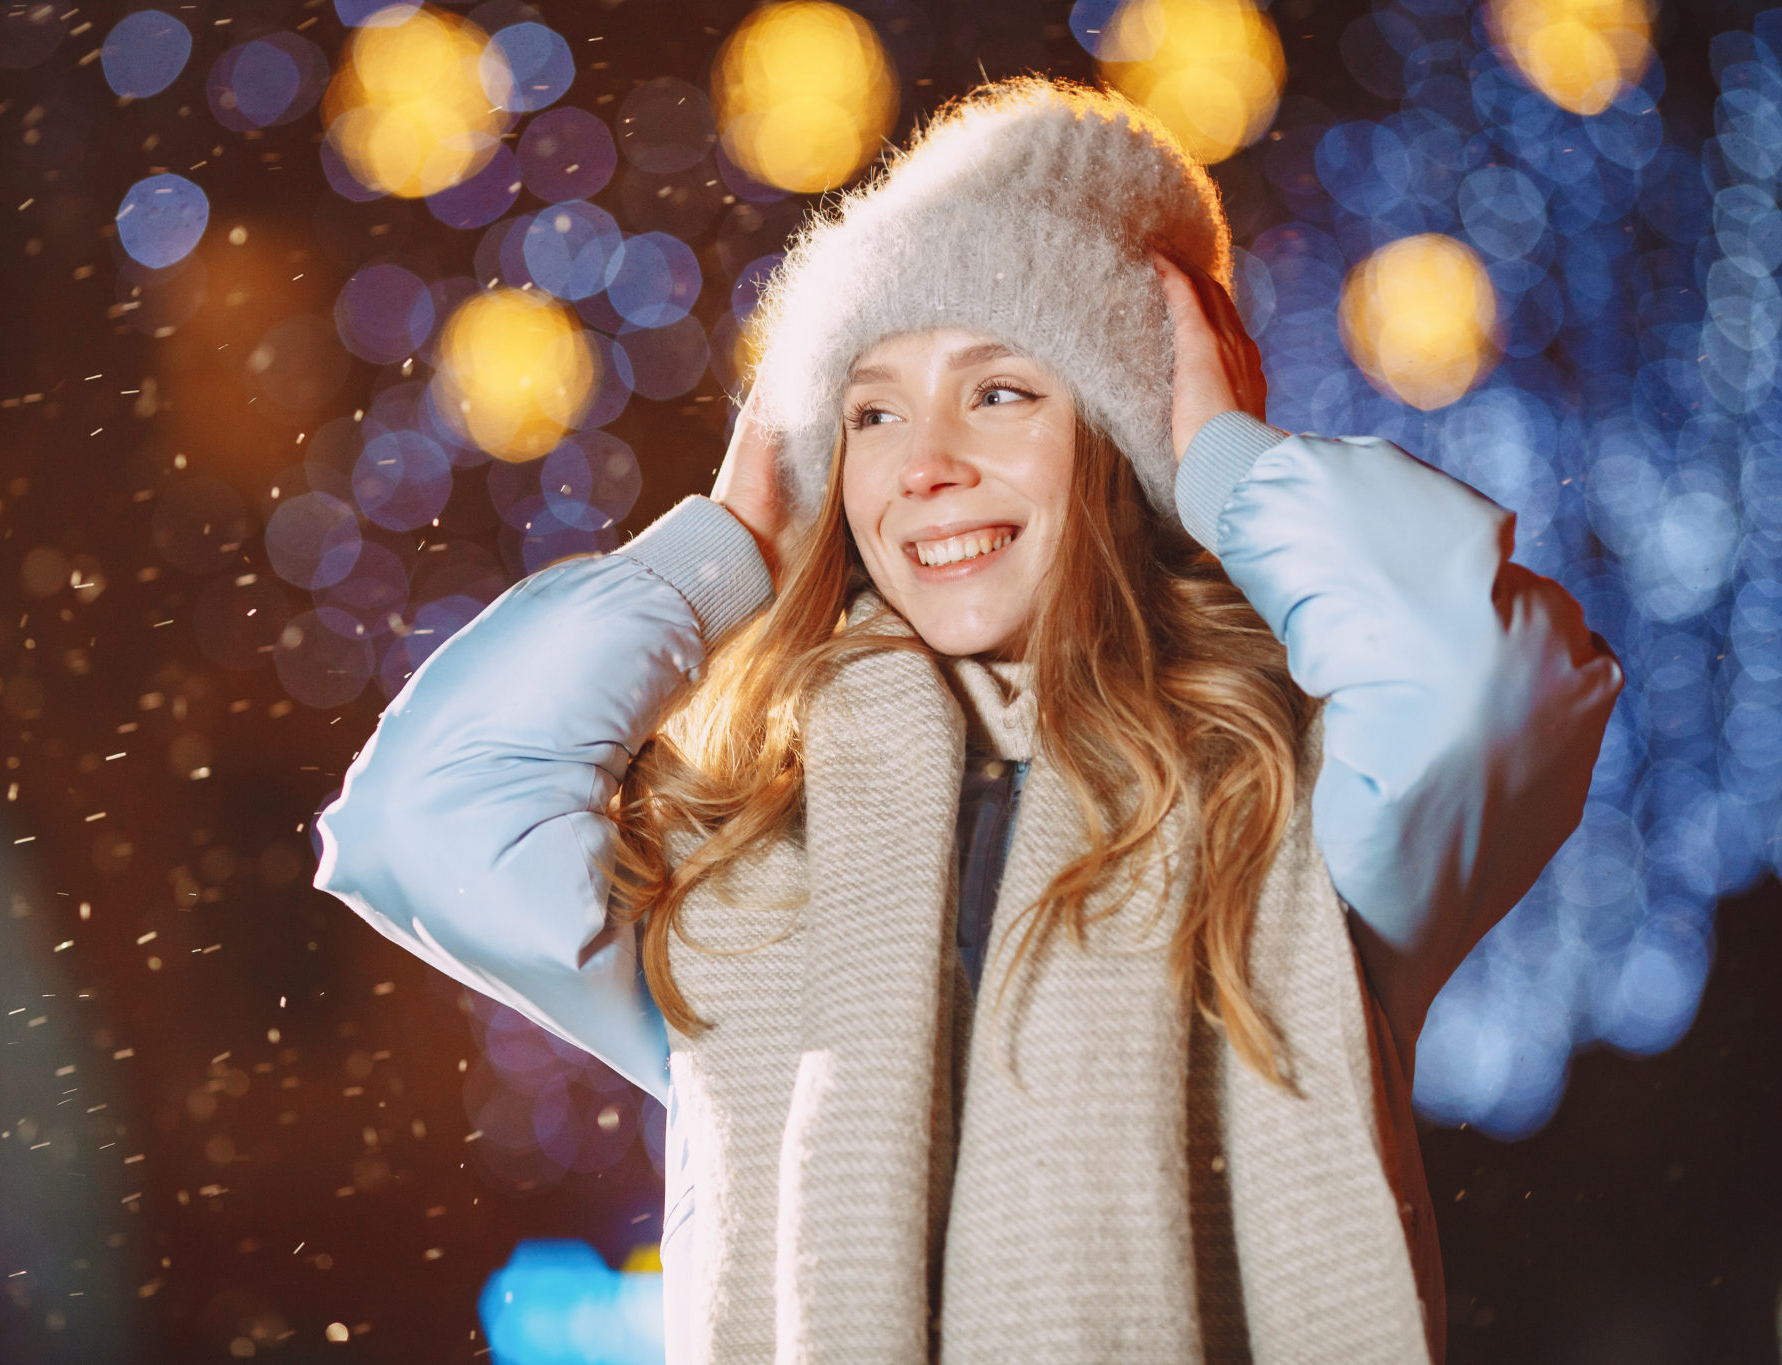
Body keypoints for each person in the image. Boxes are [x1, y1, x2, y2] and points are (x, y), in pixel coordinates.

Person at [315, 78, 1623, 1364]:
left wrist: (1222, 457)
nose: (925, 461)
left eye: (1000, 391)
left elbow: (1488, 682)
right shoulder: (744, 840)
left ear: (1120, 439)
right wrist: (724, 545)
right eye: (873, 408)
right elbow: (418, 819)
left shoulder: (1288, 795)